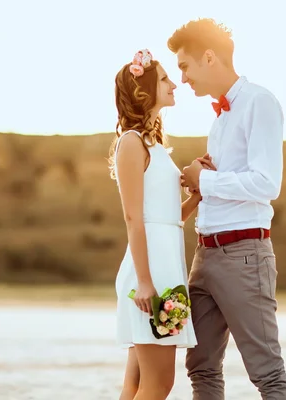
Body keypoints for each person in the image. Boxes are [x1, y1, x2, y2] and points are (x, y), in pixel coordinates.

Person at [167, 19, 286, 400]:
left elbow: (266, 183)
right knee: (201, 366)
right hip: (204, 255)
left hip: (243, 255)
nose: (184, 78)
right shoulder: (220, 118)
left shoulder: (260, 102)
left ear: (209, 57)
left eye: (185, 66)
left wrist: (203, 181)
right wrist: (200, 177)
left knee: (267, 372)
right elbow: (232, 180)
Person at [109, 49, 200, 400]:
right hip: (149, 278)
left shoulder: (155, 146)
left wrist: (198, 193)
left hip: (165, 270)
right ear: (145, 90)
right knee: (159, 384)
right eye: (164, 79)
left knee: (137, 385)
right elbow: (133, 217)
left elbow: (167, 219)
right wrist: (145, 282)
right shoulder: (131, 143)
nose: (174, 84)